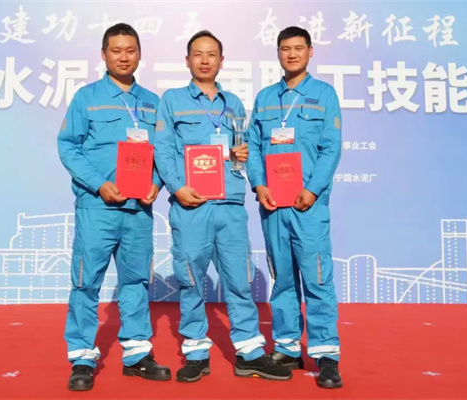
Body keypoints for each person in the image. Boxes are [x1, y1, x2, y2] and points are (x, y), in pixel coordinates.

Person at [154, 30, 292, 383]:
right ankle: (196, 353)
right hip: (191, 205)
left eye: (212, 54)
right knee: (190, 281)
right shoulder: (172, 100)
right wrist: (178, 188)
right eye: (198, 54)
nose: (205, 60)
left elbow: (241, 151)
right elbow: (163, 150)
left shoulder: (234, 104)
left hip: (229, 204)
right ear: (187, 60)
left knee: (240, 281)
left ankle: (250, 353)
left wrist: (240, 156)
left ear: (221, 60)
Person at [57, 23, 170, 391]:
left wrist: (157, 183)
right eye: (116, 50)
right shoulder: (86, 97)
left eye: (130, 50)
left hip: (138, 210)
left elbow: (164, 152)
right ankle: (82, 358)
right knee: (86, 282)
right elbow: (68, 146)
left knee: (135, 281)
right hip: (98, 207)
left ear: (140, 54)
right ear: (103, 54)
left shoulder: (153, 102)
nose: (124, 57)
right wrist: (98, 183)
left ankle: (137, 354)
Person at [246, 26, 343, 389]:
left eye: (298, 48)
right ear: (277, 53)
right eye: (285, 49)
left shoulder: (324, 94)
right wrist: (259, 185)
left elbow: (331, 148)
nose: (291, 54)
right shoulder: (265, 98)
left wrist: (313, 190)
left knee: (317, 278)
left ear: (310, 51)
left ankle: (326, 354)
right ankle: (287, 347)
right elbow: (254, 147)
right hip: (273, 205)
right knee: (282, 278)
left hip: (307, 206)